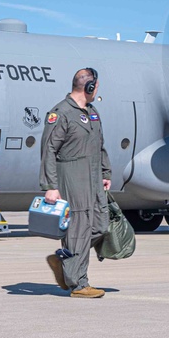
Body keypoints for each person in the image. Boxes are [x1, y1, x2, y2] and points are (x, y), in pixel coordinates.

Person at [40, 67, 112, 298]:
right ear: (89, 87)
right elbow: (49, 150)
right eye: (96, 87)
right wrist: (50, 186)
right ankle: (79, 284)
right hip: (72, 176)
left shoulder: (92, 112)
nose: (97, 91)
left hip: (93, 178)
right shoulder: (60, 113)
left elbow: (99, 145)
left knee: (101, 226)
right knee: (79, 230)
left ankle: (64, 262)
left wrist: (105, 172)